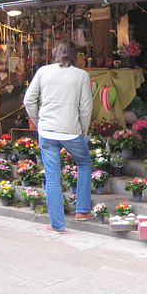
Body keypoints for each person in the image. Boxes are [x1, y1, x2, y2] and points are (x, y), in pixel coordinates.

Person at [23, 39, 94, 233]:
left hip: (47, 131)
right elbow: (86, 108)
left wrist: (39, 122)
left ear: (56, 53)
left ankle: (57, 225)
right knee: (84, 163)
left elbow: (28, 100)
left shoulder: (43, 71)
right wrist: (83, 131)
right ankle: (82, 210)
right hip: (71, 131)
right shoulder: (81, 75)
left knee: (52, 177)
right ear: (75, 56)